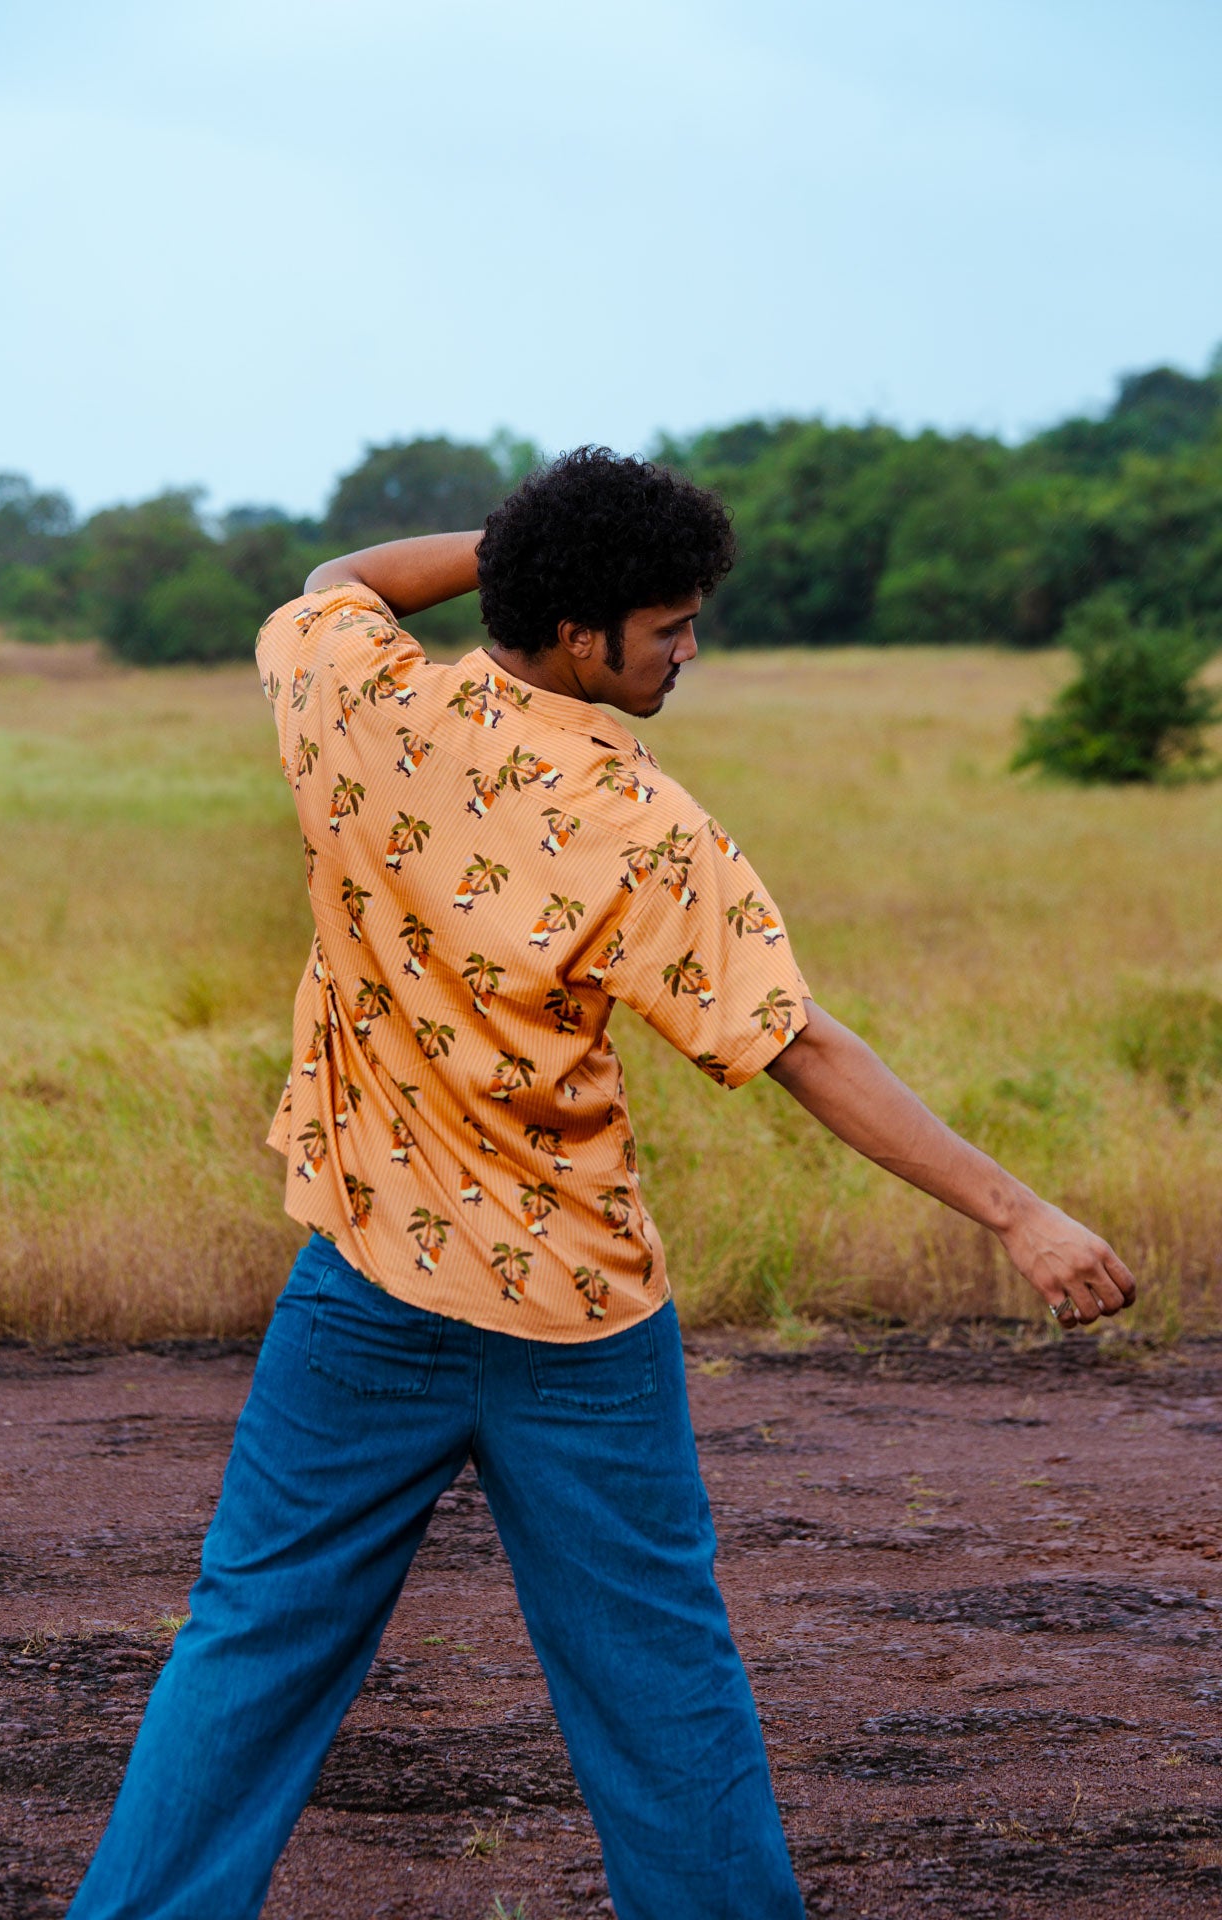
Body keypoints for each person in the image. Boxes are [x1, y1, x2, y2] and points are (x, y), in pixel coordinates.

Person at [67, 448, 1136, 1920]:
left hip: (365, 1285)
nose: (690, 649)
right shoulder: (645, 826)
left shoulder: (360, 705)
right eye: (669, 624)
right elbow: (800, 1044)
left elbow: (340, 583)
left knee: (249, 1638)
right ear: (583, 637)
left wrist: (510, 544)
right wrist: (1019, 1212)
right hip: (577, 1322)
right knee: (655, 1672)